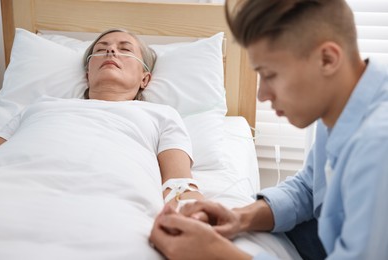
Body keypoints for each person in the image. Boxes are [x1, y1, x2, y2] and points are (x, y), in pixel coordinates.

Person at [149, 0, 388, 259]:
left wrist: (217, 254)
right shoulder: (342, 102)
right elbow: (310, 189)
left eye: (270, 74)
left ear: (327, 59)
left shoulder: (377, 145)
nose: (262, 95)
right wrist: (240, 217)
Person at [0, 28, 203, 209]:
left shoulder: (162, 115)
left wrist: (195, 213)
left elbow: (179, 183)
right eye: (100, 48)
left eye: (125, 49)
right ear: (87, 74)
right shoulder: (40, 106)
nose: (111, 51)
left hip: (110, 206)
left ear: (145, 78)